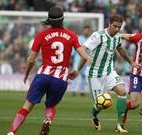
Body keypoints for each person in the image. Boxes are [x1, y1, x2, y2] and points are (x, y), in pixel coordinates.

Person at [7, 6, 91, 135]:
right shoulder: (72, 35)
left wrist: (27, 73)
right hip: (60, 78)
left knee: (26, 107)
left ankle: (12, 132)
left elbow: (31, 60)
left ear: (49, 20)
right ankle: (47, 119)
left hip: (43, 75)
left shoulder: (41, 35)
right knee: (50, 106)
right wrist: (77, 69)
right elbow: (85, 56)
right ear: (63, 19)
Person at [70, 15, 140, 133]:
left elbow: (120, 49)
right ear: (109, 24)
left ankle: (120, 124)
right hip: (94, 74)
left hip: (109, 71)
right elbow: (83, 48)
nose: (117, 29)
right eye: (115, 26)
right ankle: (94, 114)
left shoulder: (117, 37)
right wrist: (77, 69)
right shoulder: (98, 36)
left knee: (122, 92)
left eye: (119, 27)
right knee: (102, 104)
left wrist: (131, 62)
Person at [71, 25, 91, 96]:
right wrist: (72, 57)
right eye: (85, 30)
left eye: (88, 30)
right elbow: (74, 49)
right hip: (77, 59)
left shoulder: (90, 39)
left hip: (86, 60)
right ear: (83, 31)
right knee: (75, 73)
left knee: (84, 75)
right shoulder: (78, 38)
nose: (87, 31)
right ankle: (73, 90)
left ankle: (82, 91)